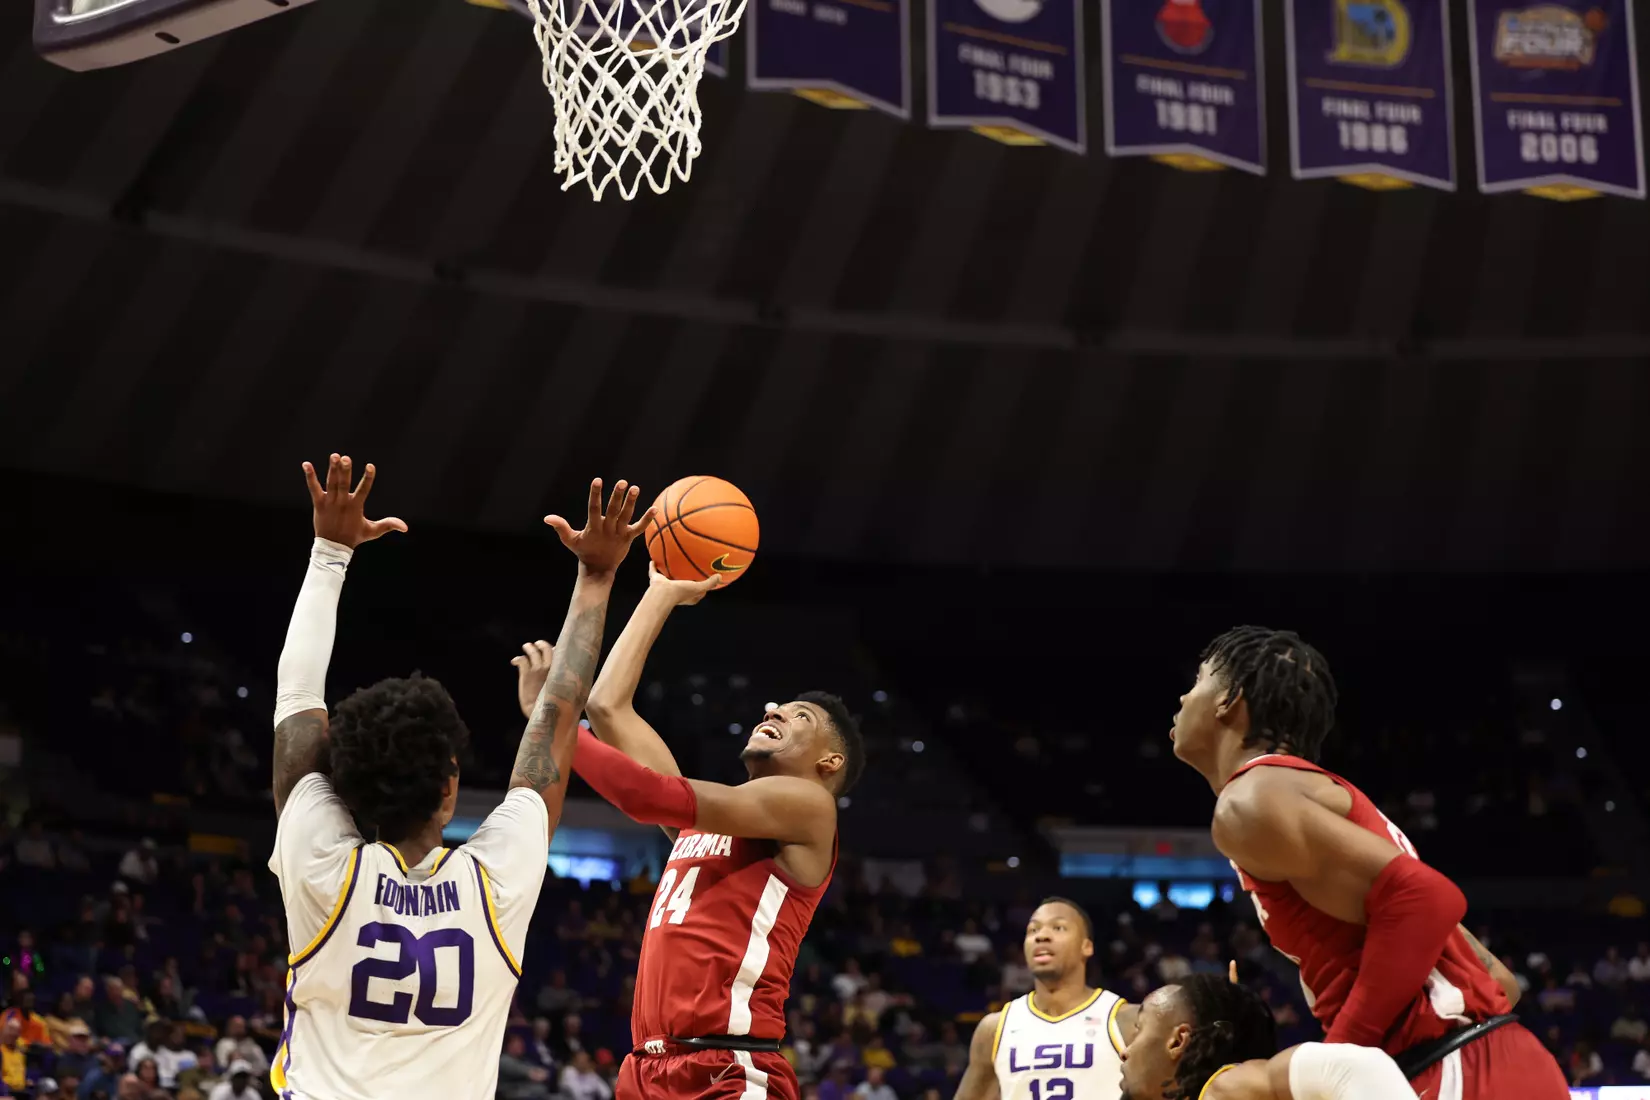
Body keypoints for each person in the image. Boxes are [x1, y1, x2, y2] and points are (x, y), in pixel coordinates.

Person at [266, 456, 649, 1100]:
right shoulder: (494, 884)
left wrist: (330, 552)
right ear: (451, 788)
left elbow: (297, 698)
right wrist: (598, 576)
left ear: (346, 785)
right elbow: (555, 723)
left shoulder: (321, 866)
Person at [1170, 626, 1566, 1098]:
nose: (1182, 696)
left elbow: (1426, 898)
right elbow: (1498, 979)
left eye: (1196, 680)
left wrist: (1338, 1058)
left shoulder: (1251, 801)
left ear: (1228, 700)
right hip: (1491, 1058)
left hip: (1449, 1067)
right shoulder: (1309, 798)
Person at [531, 561, 864, 1100]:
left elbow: (644, 795)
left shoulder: (811, 806)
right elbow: (608, 708)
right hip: (646, 1068)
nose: (774, 708)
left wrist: (550, 719)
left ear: (829, 761)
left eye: (799, 716)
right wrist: (661, 593)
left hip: (729, 1069)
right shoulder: (712, 821)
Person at [1117, 974, 1417, 1099]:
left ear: (1177, 1041)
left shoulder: (1225, 1088)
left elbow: (1353, 1068)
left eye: (1139, 1029)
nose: (1124, 1051)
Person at [954, 898, 1127, 1100]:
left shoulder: (1126, 1022)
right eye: (1033, 930)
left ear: (1086, 946)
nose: (1042, 936)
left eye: (1058, 928)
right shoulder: (994, 1029)